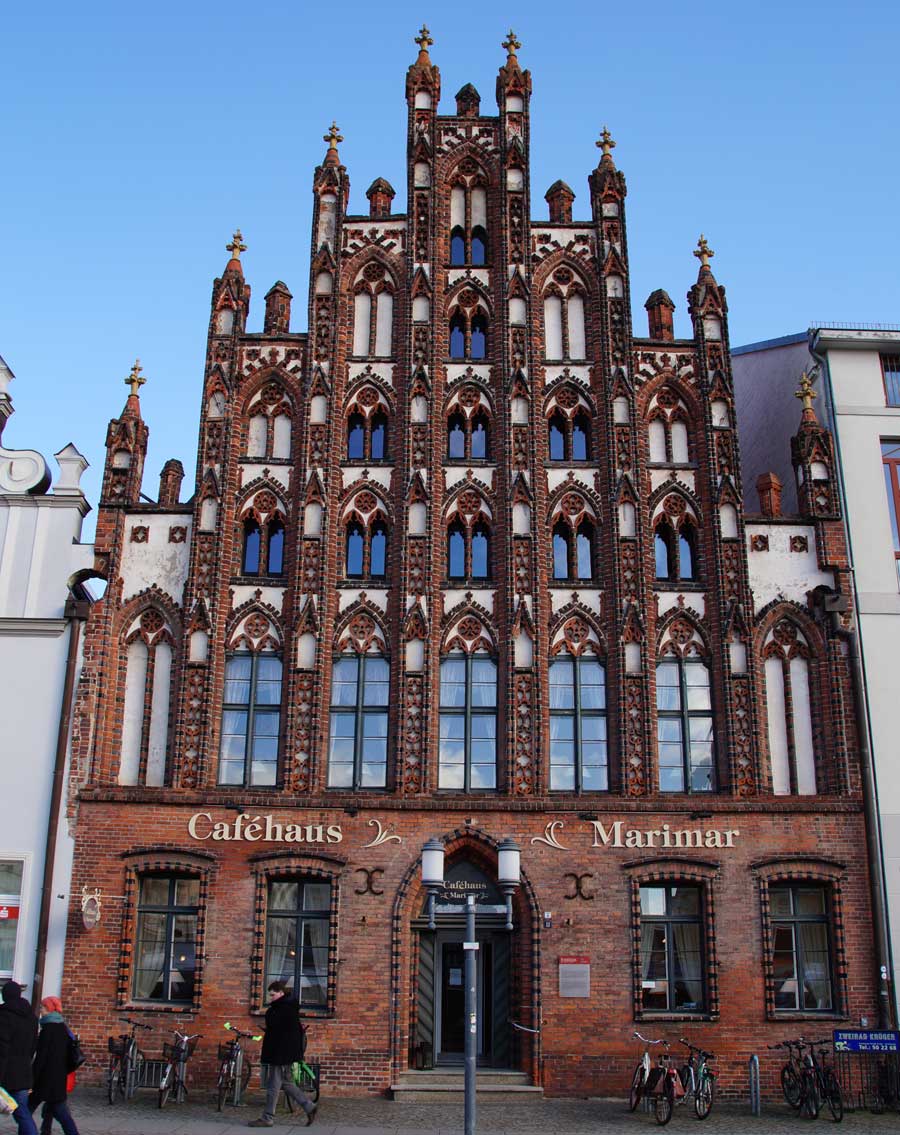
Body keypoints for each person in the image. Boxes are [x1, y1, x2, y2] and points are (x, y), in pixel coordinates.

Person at [249, 980, 316, 1128]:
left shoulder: (283, 1008)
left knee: (273, 1085)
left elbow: (279, 1029)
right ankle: (309, 1106)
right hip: (284, 1052)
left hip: (280, 1053)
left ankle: (267, 1117)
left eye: (272, 995)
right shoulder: (286, 1007)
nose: (270, 998)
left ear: (280, 993)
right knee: (287, 1083)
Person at [28, 997, 80, 1135]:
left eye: (43, 1008)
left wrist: (32, 1079)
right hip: (58, 1078)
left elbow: (41, 1058)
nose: (40, 1010)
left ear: (49, 1010)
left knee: (26, 1111)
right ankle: (46, 1131)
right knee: (58, 1110)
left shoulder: (47, 1030)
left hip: (44, 1079)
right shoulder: (63, 1028)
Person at [0, 980, 38, 1135]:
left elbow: (2, 1049)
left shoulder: (3, 1016)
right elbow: (33, 1046)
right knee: (22, 1113)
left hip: (4, 1071)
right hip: (23, 1072)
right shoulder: (31, 1017)